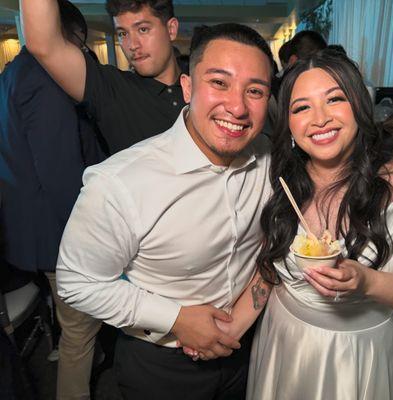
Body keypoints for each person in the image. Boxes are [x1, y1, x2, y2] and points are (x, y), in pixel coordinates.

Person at [191, 48, 393, 399]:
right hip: (284, 338)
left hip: (359, 352)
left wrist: (369, 282)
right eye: (301, 107)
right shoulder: (278, 178)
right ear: (287, 123)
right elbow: (270, 269)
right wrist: (230, 330)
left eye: (334, 99)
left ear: (359, 107)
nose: (319, 119)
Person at [55, 23, 276, 400]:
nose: (237, 107)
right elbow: (77, 282)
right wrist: (177, 319)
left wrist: (240, 321)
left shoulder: (270, 161)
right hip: (160, 366)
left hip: (245, 349)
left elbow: (279, 239)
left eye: (254, 91)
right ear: (188, 88)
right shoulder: (120, 182)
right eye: (219, 83)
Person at [0, 1, 106, 399]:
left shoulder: (11, 73)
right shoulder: (47, 80)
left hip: (23, 227)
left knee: (67, 318)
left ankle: (60, 348)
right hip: (57, 232)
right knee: (83, 329)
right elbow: (61, 174)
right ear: (68, 38)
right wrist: (88, 239)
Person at [21, 0, 186, 154]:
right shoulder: (112, 89)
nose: (133, 45)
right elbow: (44, 46)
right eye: (123, 34)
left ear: (171, 29)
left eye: (143, 29)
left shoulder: (203, 83)